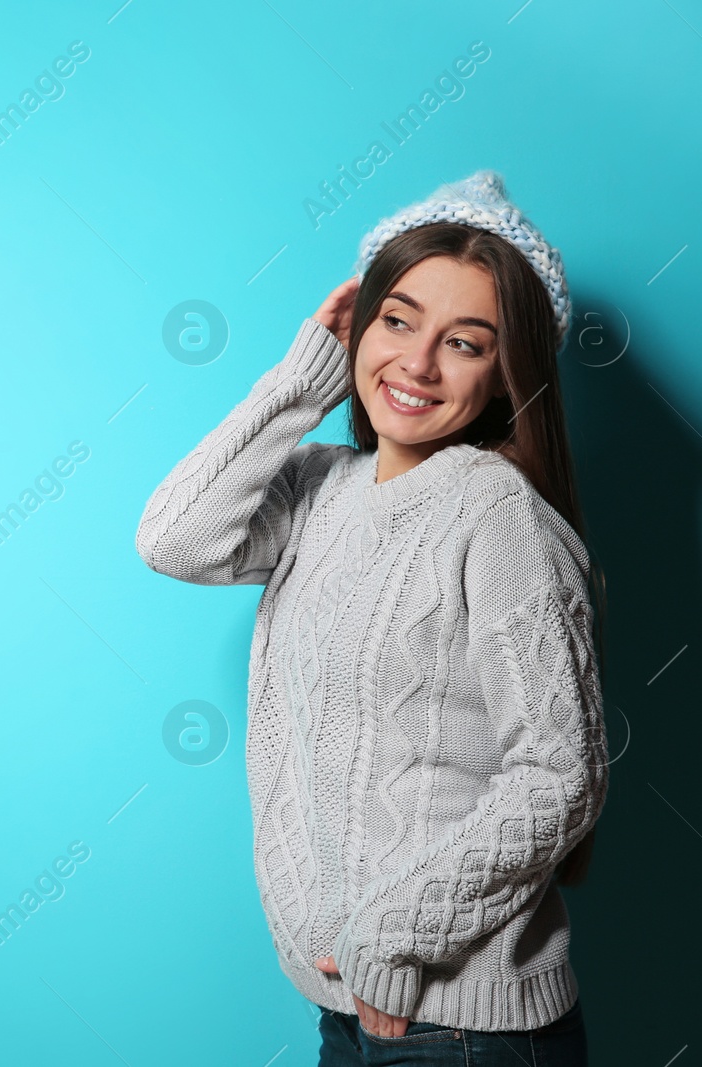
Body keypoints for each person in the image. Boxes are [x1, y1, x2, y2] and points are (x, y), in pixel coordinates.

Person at [134, 171, 609, 1066]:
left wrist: (393, 938)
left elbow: (561, 773)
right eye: (398, 320)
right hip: (348, 1010)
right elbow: (174, 539)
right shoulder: (322, 488)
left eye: (464, 342)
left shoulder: (496, 513)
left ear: (510, 371)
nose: (418, 364)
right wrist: (303, 378)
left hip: (461, 1025)